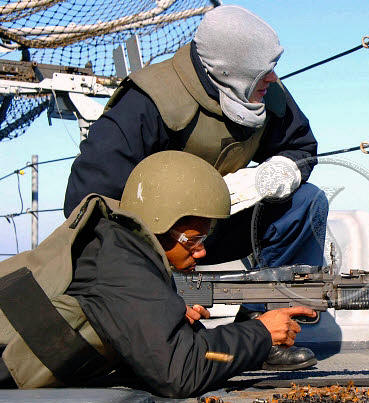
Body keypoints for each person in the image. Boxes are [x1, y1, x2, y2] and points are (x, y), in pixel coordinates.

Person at [62, 5, 328, 369]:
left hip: (217, 229)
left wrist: (272, 176)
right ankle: (165, 325)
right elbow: (88, 199)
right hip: (156, 242)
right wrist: (154, 287)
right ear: (227, 70)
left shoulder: (267, 91)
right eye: (261, 71)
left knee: (306, 204)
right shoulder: (148, 100)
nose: (271, 78)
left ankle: (263, 327)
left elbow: (300, 147)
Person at [0, 151, 317, 397]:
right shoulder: (120, 263)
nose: (201, 252)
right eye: (192, 241)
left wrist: (168, 316)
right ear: (159, 225)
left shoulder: (117, 243)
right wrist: (261, 332)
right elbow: (178, 373)